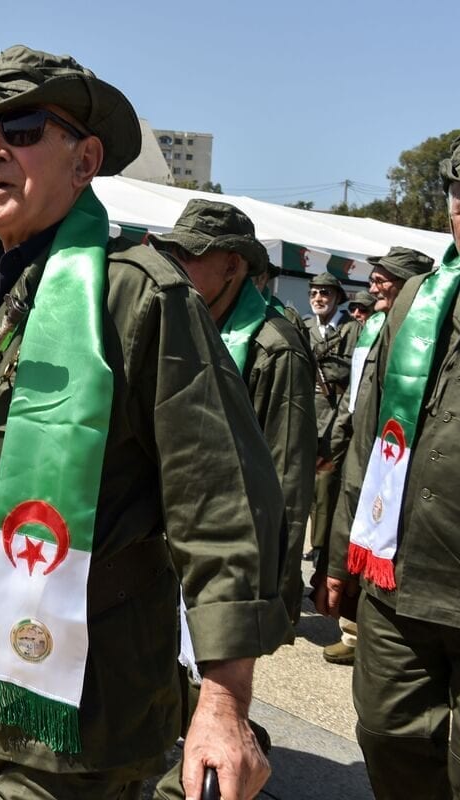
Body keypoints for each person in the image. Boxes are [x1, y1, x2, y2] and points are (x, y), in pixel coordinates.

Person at [0, 46, 287, 800]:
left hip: (86, 699)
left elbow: (221, 502)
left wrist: (225, 702)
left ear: (85, 159)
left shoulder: (136, 297)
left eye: (25, 127)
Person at [147, 200, 316, 798]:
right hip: (175, 537)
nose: (180, 264)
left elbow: (287, 476)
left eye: (195, 255)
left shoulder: (275, 346)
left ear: (234, 267)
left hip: (234, 544)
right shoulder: (182, 324)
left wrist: (272, 588)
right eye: (176, 252)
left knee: (210, 672)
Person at [318, 139, 460, 799]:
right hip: (400, 581)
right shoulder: (416, 305)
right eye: (458, 192)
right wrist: (343, 555)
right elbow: (372, 440)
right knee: (385, 733)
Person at [314, 246, 435, 667]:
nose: (374, 284)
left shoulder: (424, 336)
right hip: (363, 442)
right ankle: (357, 627)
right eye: (376, 276)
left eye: (387, 277)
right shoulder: (374, 329)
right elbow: (358, 395)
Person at [303, 272, 358, 561]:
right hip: (307, 412)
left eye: (325, 293)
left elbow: (352, 373)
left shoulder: (352, 330)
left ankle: (321, 544)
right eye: (314, 293)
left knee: (325, 482)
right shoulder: (304, 325)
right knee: (304, 482)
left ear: (337, 298)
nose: (318, 299)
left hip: (336, 411)